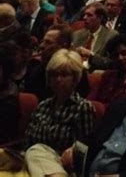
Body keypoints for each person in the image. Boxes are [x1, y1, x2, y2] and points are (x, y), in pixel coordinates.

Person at [24, 49, 95, 177]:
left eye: (64, 74)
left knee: (38, 150)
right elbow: (28, 141)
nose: (58, 79)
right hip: (33, 162)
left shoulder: (83, 108)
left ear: (75, 78)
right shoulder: (43, 106)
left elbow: (84, 149)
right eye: (53, 75)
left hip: (63, 166)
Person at [88, 33, 126, 103]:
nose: (120, 58)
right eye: (116, 55)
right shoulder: (108, 76)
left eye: (124, 53)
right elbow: (92, 100)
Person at [72, 2, 118, 70]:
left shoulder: (111, 36)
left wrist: (91, 55)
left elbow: (110, 63)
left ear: (100, 18)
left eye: (89, 15)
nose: (84, 18)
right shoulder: (77, 35)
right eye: (84, 15)